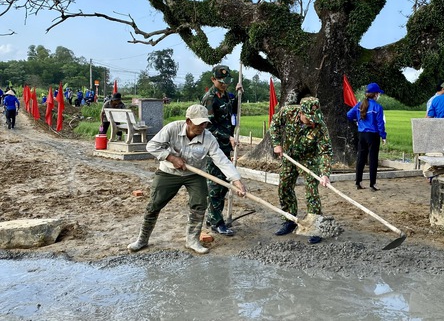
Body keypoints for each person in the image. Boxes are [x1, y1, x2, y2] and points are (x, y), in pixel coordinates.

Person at [127, 104, 247, 254]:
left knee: (199, 204)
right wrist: (171, 158)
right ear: (188, 121)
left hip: (195, 175)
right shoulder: (172, 129)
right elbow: (152, 146)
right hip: (169, 172)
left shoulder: (208, 138)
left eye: (205, 123)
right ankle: (142, 240)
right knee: (154, 204)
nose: (202, 126)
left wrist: (236, 181)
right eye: (199, 123)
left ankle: (192, 240)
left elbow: (221, 160)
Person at [269, 96, 333, 244]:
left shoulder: (320, 126)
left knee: (311, 192)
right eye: (309, 118)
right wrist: (276, 144)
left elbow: (325, 152)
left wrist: (324, 173)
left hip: (309, 159)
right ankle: (290, 220)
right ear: (301, 113)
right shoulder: (288, 112)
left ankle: (315, 226)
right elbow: (274, 124)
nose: (312, 122)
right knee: (284, 187)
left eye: (314, 118)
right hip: (289, 156)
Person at [201, 65, 243, 237]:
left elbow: (231, 109)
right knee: (215, 185)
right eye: (221, 82)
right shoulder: (209, 98)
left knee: (224, 183)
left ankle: (213, 218)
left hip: (225, 147)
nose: (225, 85)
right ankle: (217, 222)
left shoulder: (224, 94)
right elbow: (208, 126)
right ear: (213, 79)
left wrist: (239, 94)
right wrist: (228, 137)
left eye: (227, 82)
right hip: (213, 147)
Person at [347, 83, 387, 191]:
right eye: (378, 93)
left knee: (361, 158)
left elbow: (349, 115)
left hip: (361, 134)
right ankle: (372, 184)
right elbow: (380, 123)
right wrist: (383, 136)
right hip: (373, 135)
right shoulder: (377, 107)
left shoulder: (359, 104)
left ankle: (358, 182)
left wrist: (357, 121)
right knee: (373, 159)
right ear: (375, 94)